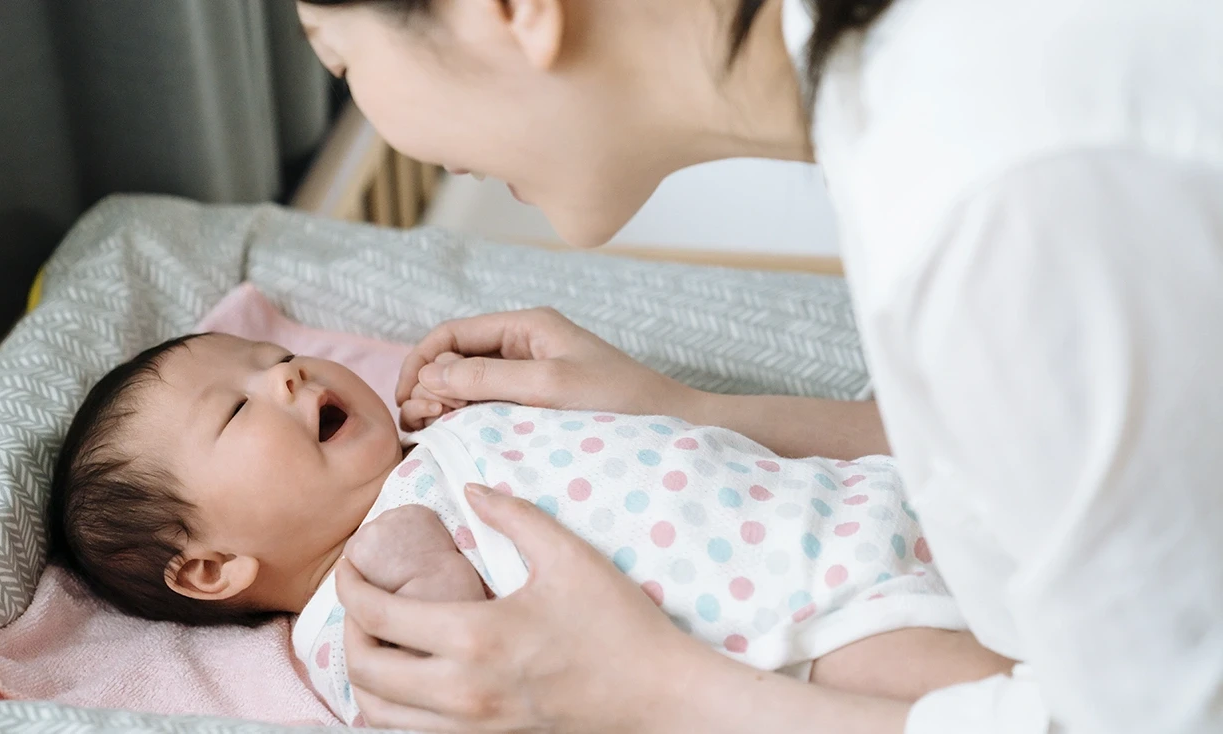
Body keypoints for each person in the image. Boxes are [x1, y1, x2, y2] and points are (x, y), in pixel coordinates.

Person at [294, 0, 1223, 731]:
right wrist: (685, 411)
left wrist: (657, 694)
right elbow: (1056, 439)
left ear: (508, 7)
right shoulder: (919, 103)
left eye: (342, 61)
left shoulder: (991, 201)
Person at [46, 331, 1011, 726]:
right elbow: (457, 691)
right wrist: (416, 564)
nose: (288, 376)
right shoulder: (351, 616)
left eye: (278, 355)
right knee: (1025, 696)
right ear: (212, 569)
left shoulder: (445, 440)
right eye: (236, 411)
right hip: (811, 632)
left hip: (853, 497)